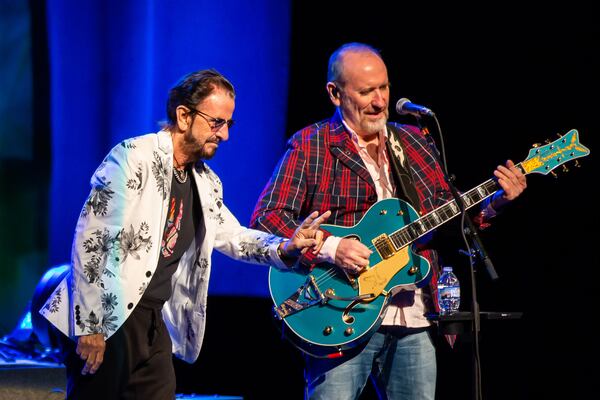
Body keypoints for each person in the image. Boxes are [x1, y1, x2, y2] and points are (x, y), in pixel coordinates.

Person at [249, 43, 527, 399]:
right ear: (335, 93)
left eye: (384, 87)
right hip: (339, 310)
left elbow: (448, 218)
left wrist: (496, 203)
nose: (379, 101)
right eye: (366, 92)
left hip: (413, 315)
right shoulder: (311, 144)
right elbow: (266, 218)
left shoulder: (412, 140)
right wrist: (332, 247)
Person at [39, 69, 330, 399]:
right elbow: (93, 239)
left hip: (153, 319)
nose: (224, 135)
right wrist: (91, 326)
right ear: (183, 115)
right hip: (110, 315)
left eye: (228, 125)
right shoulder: (135, 156)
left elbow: (232, 235)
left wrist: (284, 247)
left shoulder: (206, 183)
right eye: (216, 123)